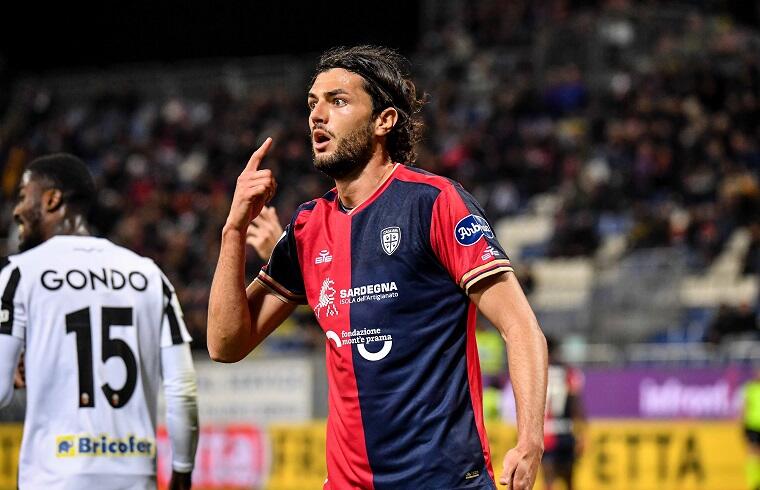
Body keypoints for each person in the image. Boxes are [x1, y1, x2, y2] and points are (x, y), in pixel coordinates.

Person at [208, 45, 547, 490]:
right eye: (313, 103)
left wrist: (531, 439)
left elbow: (521, 327)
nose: (317, 115)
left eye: (338, 101)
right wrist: (233, 230)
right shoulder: (309, 227)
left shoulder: (434, 203)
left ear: (383, 122)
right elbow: (225, 344)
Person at [0, 154, 199, 489]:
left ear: (51, 199)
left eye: (23, 197)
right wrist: (182, 469)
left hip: (54, 474)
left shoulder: (20, 273)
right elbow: (183, 389)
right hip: (134, 475)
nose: (17, 210)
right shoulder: (148, 274)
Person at [541, 337, 586, 490]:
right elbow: (575, 403)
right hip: (565, 431)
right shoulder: (567, 371)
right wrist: (582, 435)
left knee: (548, 481)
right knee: (569, 481)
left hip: (546, 433)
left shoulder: (537, 371)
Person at [742, 369, 760, 490]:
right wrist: (744, 425)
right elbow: (745, 407)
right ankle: (753, 483)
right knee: (752, 454)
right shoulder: (750, 388)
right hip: (752, 426)